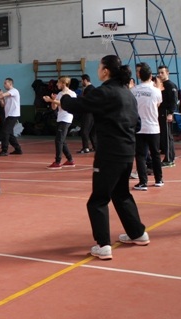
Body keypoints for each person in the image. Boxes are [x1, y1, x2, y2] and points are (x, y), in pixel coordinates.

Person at [60, 55, 149, 261]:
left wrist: (64, 96)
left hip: (110, 154)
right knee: (121, 194)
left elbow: (77, 105)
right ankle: (138, 233)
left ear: (106, 71)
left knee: (98, 200)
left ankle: (103, 244)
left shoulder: (105, 92)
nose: (98, 70)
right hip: (127, 153)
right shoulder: (128, 94)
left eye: (100, 67)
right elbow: (137, 124)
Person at [131, 63, 164, 191]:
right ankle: (159, 179)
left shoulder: (134, 91)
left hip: (139, 128)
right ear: (151, 76)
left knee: (140, 155)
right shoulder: (156, 91)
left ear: (139, 76)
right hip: (153, 127)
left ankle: (143, 182)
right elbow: (158, 104)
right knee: (155, 154)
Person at [42, 76, 76, 169]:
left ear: (63, 84)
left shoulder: (71, 94)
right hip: (60, 118)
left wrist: (51, 100)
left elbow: (65, 104)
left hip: (66, 118)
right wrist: (53, 101)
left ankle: (58, 161)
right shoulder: (60, 94)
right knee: (62, 140)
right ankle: (70, 160)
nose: (57, 84)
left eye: (58, 83)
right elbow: (54, 108)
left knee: (58, 140)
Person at [0, 78, 23, 156]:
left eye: (5, 83)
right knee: (10, 133)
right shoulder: (8, 94)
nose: (4, 85)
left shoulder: (14, 91)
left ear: (10, 84)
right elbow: (3, 105)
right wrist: (1, 98)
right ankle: (18, 149)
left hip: (13, 115)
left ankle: (4, 150)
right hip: (8, 115)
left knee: (5, 132)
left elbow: (3, 94)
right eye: (4, 83)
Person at [157, 65, 178, 167]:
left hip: (166, 112)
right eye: (159, 73)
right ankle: (168, 157)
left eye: (162, 72)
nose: (160, 74)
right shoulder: (161, 85)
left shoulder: (170, 85)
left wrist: (170, 113)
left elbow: (174, 101)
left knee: (167, 136)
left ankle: (169, 159)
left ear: (167, 73)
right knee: (164, 136)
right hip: (160, 113)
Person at [78, 74, 97, 153]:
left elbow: (86, 100)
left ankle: (85, 147)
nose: (81, 82)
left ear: (85, 80)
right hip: (94, 112)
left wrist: (79, 98)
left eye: (82, 81)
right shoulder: (93, 88)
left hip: (88, 112)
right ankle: (96, 147)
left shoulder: (88, 89)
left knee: (84, 130)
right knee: (92, 131)